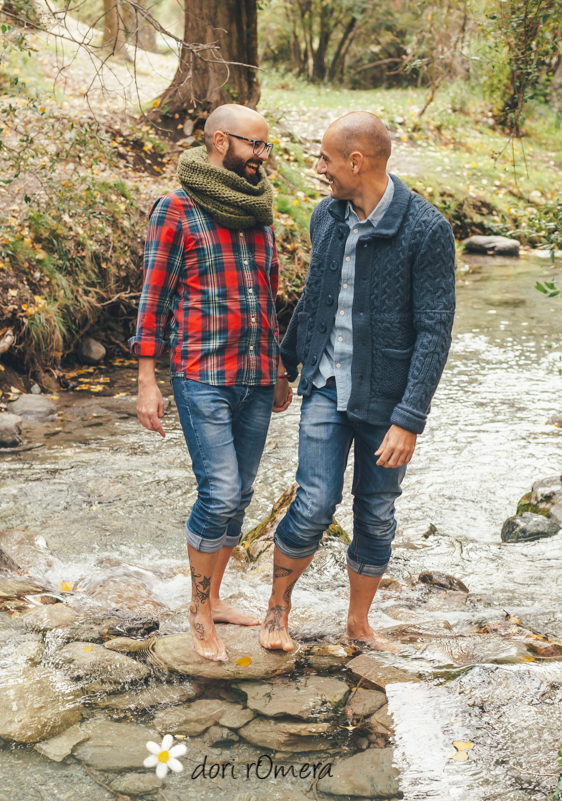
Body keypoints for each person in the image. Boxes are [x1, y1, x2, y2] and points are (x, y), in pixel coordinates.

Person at [259, 111, 455, 654]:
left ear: (356, 161)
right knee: (314, 502)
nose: (318, 168)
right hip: (325, 384)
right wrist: (284, 365)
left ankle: (359, 623)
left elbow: (435, 330)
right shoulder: (327, 216)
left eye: (325, 159)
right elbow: (313, 299)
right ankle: (277, 610)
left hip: (387, 401)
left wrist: (409, 420)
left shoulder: (427, 229)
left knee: (376, 511)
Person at [131, 104, 293, 662]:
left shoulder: (259, 211)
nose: (262, 156)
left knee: (240, 495)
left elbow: (269, 296)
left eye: (266, 146)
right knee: (219, 491)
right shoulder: (176, 208)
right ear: (221, 141)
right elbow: (154, 297)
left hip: (256, 374)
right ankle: (199, 609)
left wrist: (278, 368)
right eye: (254, 145)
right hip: (202, 373)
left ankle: (217, 598)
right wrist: (147, 379)